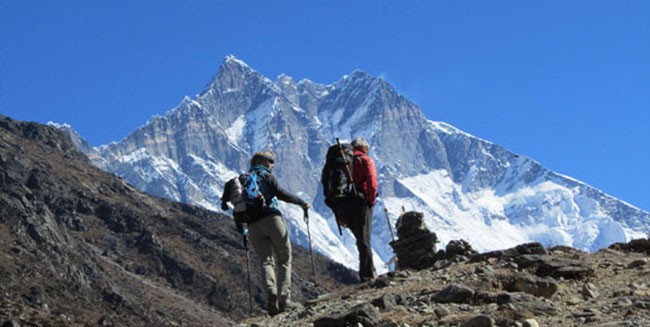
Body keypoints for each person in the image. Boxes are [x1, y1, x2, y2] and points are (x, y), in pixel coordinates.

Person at [240, 151, 310, 316]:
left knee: (265, 262)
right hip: (272, 220)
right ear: (262, 161)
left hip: (253, 226)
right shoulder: (266, 175)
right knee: (284, 259)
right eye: (271, 161)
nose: (273, 165)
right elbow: (280, 193)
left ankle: (271, 293)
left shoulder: (243, 180)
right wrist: (301, 202)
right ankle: (284, 299)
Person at [337, 136, 378, 282]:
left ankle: (368, 271)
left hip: (345, 206)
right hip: (361, 203)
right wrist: (371, 200)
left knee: (360, 239)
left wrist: (339, 214)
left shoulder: (342, 162)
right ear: (364, 148)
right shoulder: (365, 160)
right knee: (364, 240)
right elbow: (372, 181)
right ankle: (367, 275)